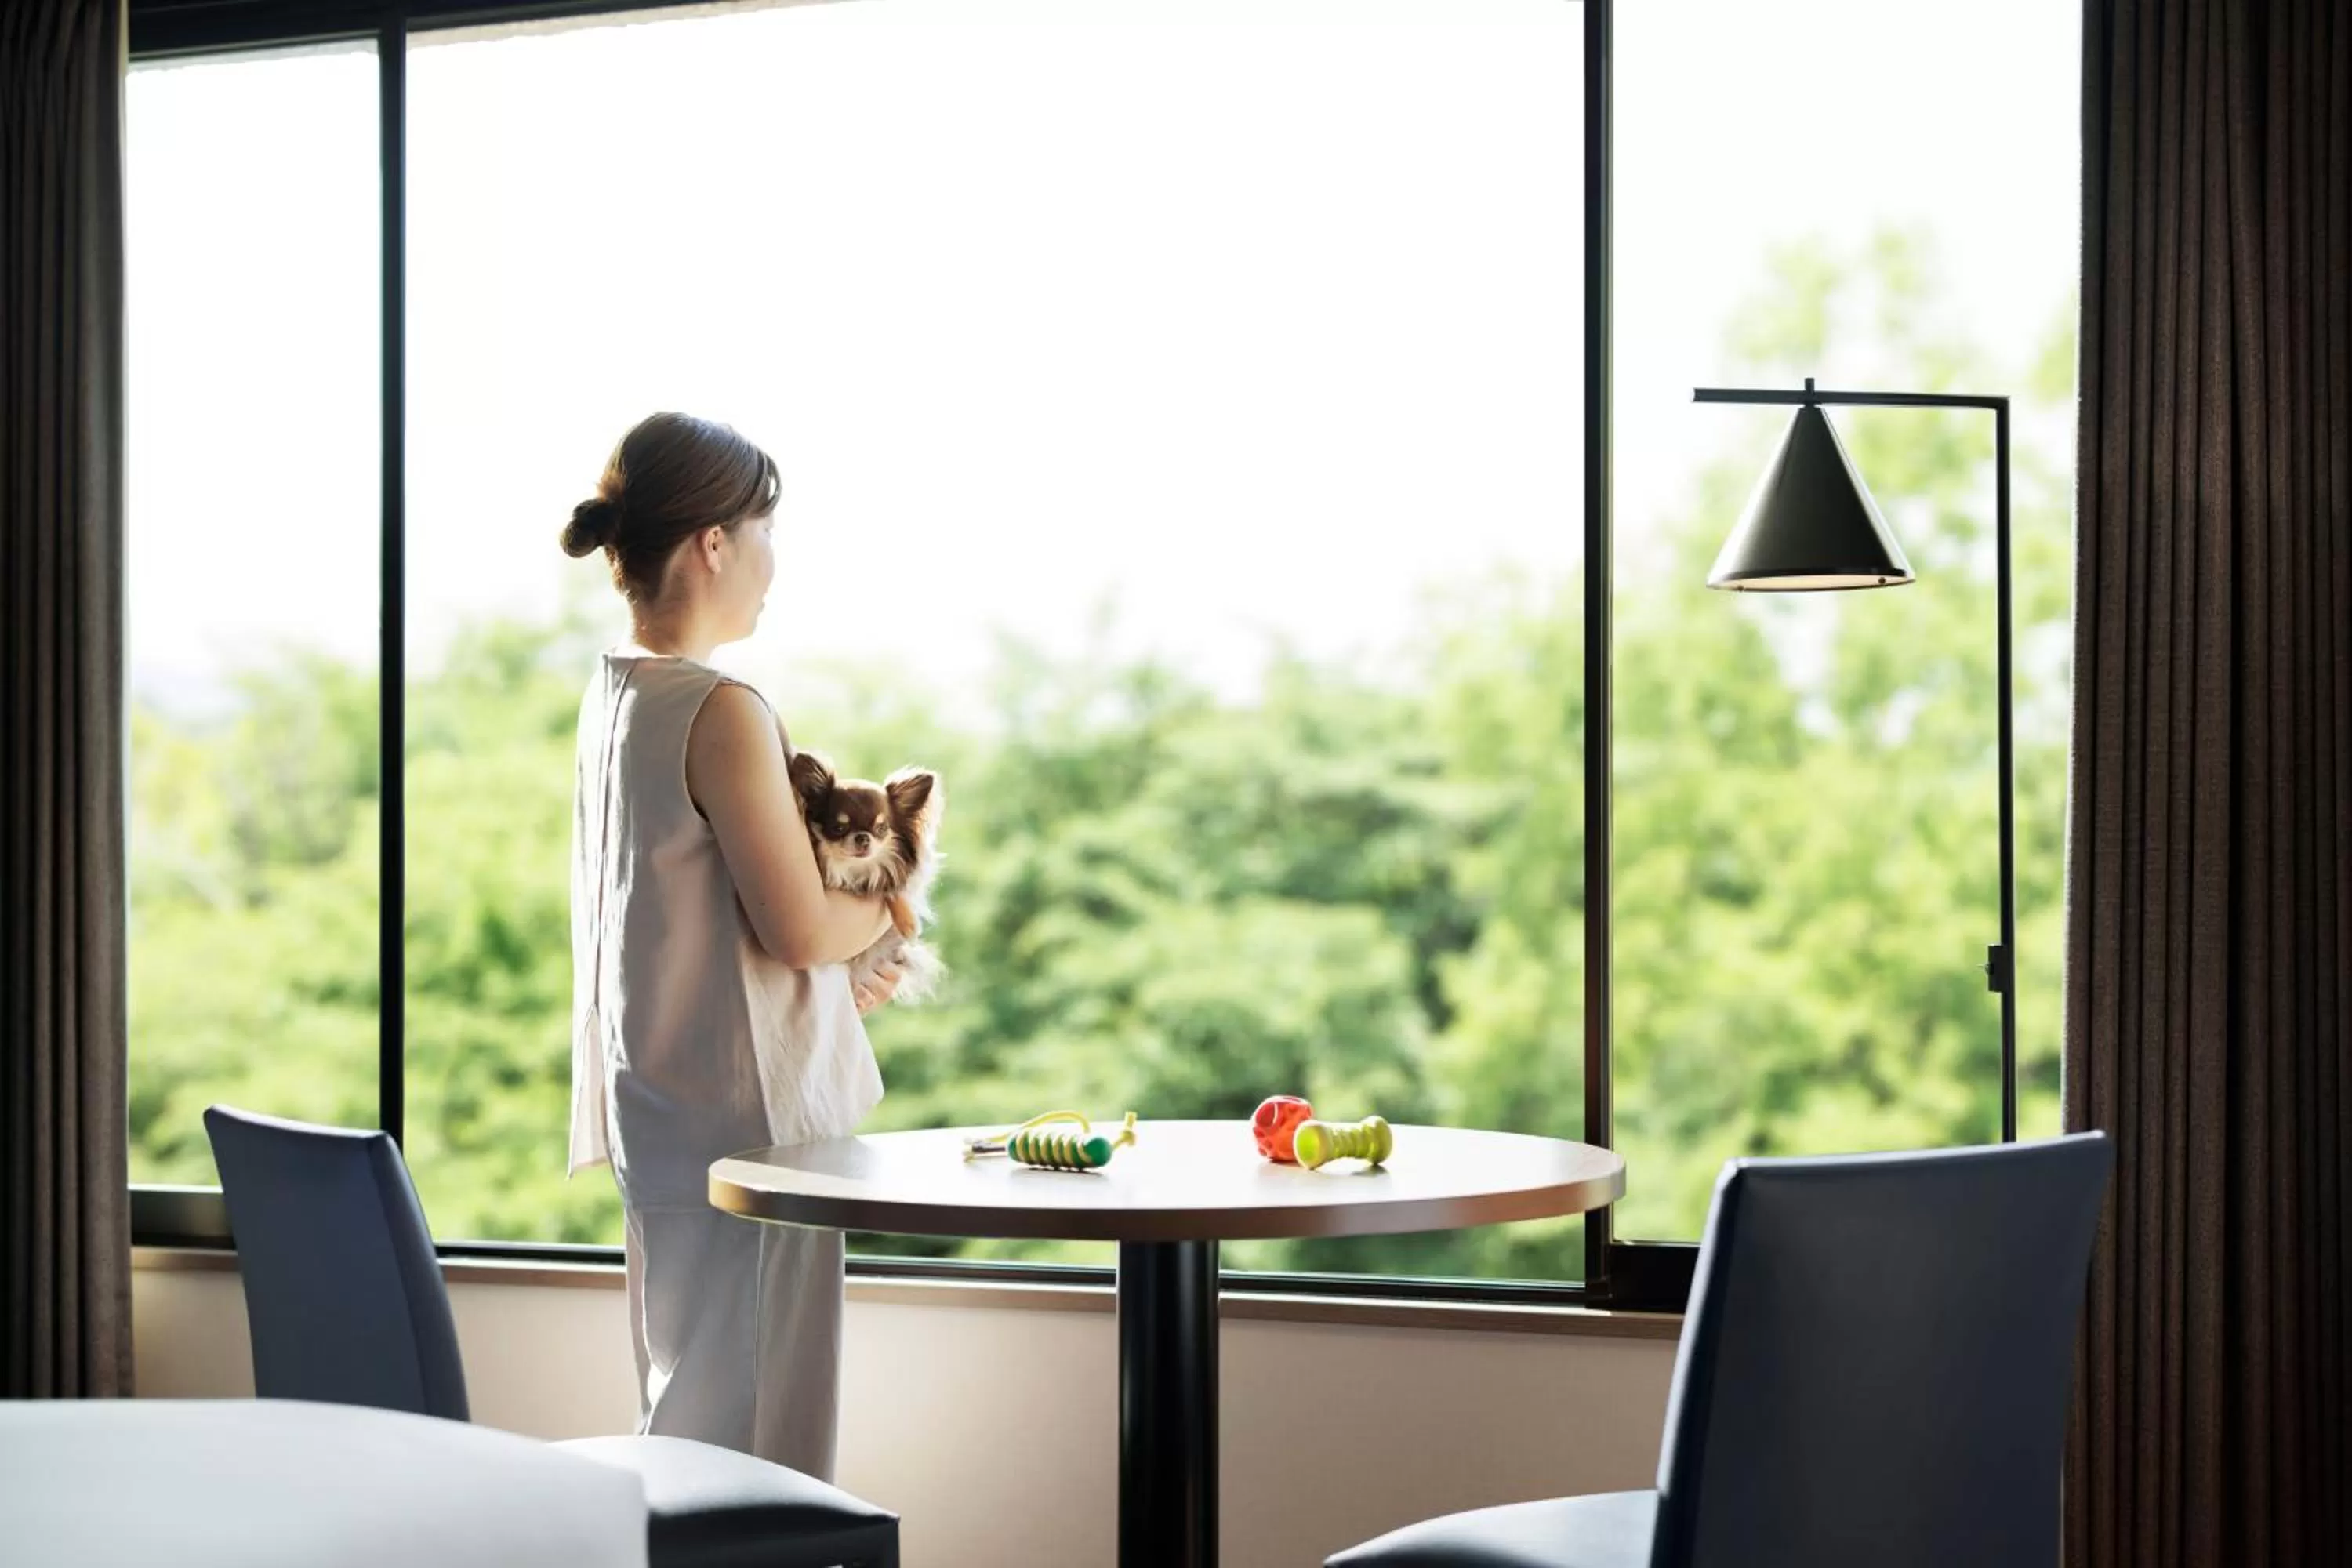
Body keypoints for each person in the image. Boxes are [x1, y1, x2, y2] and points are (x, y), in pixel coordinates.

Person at [560, 411, 902, 1479]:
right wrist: (892, 912)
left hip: (662, 1111)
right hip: (754, 1136)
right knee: (766, 1463)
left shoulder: (617, 693)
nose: (771, 565)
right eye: (763, 531)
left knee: (689, 1428)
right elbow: (800, 922)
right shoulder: (722, 709)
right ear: (713, 541)